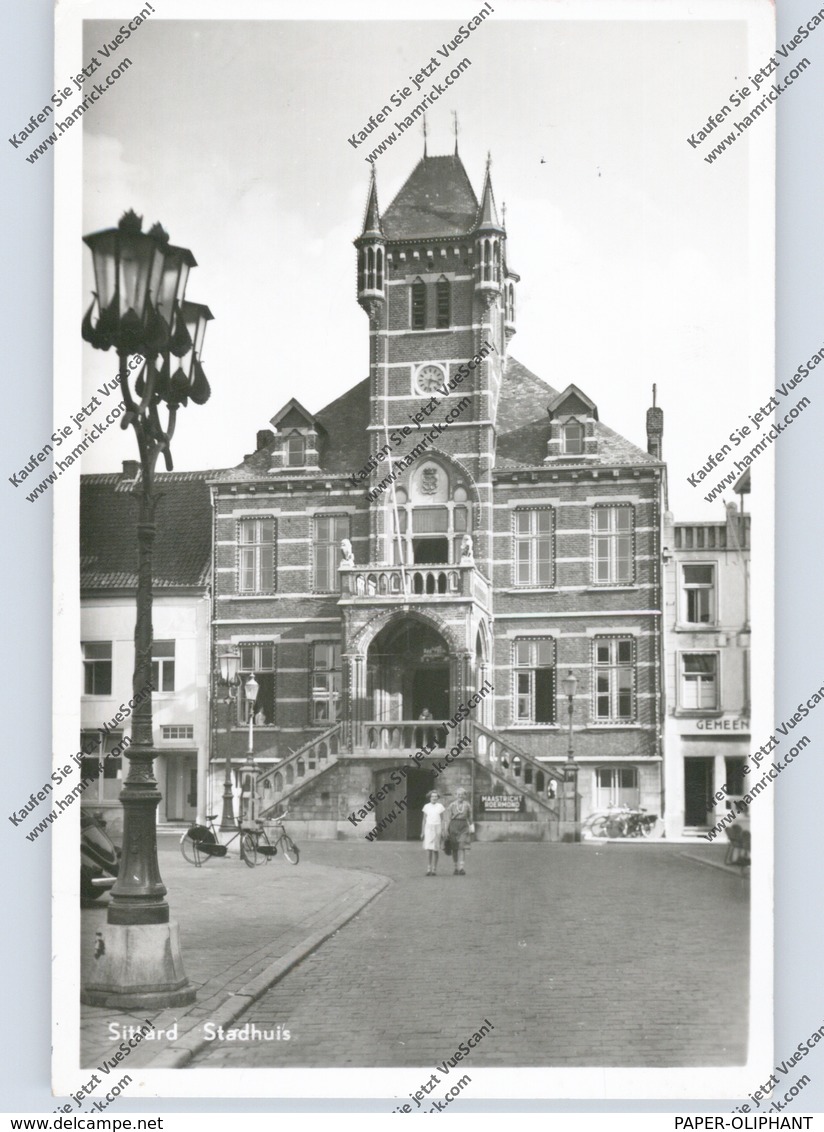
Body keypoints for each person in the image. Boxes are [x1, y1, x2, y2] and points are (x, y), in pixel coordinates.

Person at [446, 786, 473, 875]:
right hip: (453, 825)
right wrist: (446, 829)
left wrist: (472, 827)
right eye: (458, 794)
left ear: (465, 796)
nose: (460, 796)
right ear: (455, 795)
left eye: (462, 794)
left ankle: (461, 867)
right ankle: (455, 867)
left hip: (463, 826)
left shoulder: (467, 805)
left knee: (462, 846)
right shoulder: (452, 805)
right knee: (454, 848)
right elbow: (448, 818)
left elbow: (470, 817)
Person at [421, 789, 445, 876]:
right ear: (429, 797)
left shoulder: (440, 806)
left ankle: (434, 869)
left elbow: (442, 820)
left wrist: (443, 830)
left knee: (435, 849)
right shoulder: (426, 806)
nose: (434, 798)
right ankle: (428, 868)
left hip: (437, 827)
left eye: (436, 797)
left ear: (438, 798)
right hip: (428, 828)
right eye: (432, 796)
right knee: (429, 849)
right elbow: (424, 820)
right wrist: (422, 832)